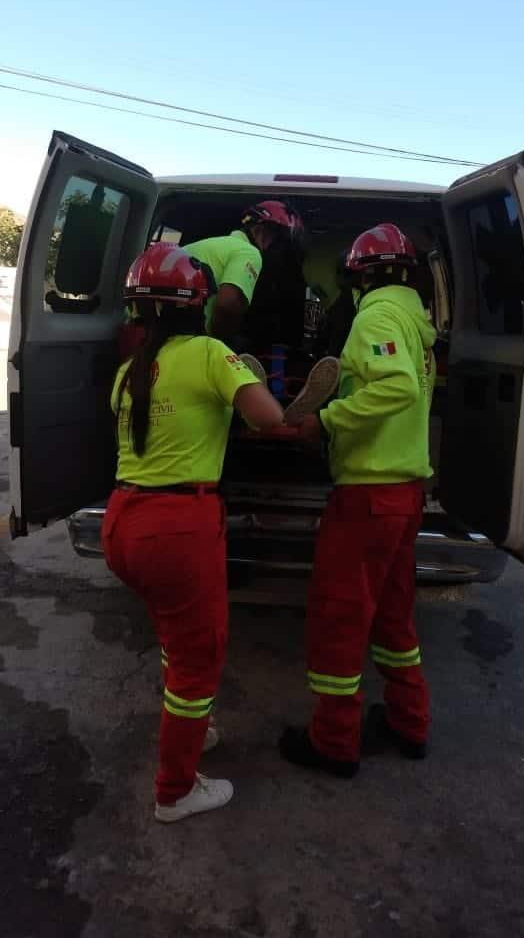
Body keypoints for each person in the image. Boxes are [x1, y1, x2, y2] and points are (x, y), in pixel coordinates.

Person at [102, 243, 283, 822]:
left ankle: (191, 729)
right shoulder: (210, 352)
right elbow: (269, 417)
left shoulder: (129, 371)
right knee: (198, 657)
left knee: (174, 637)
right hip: (177, 529)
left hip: (122, 523)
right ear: (196, 305)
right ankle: (175, 790)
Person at [280, 224, 437, 777]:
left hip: (369, 494)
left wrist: (324, 420)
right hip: (404, 493)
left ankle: (334, 741)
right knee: (393, 618)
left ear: (361, 275)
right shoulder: (415, 323)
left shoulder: (375, 316)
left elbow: (396, 387)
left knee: (339, 618)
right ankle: (408, 722)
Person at [183, 200, 304, 346]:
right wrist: (221, 344)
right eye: (279, 238)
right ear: (262, 230)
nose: (279, 247)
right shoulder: (249, 252)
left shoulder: (208, 245)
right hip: (196, 344)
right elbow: (227, 306)